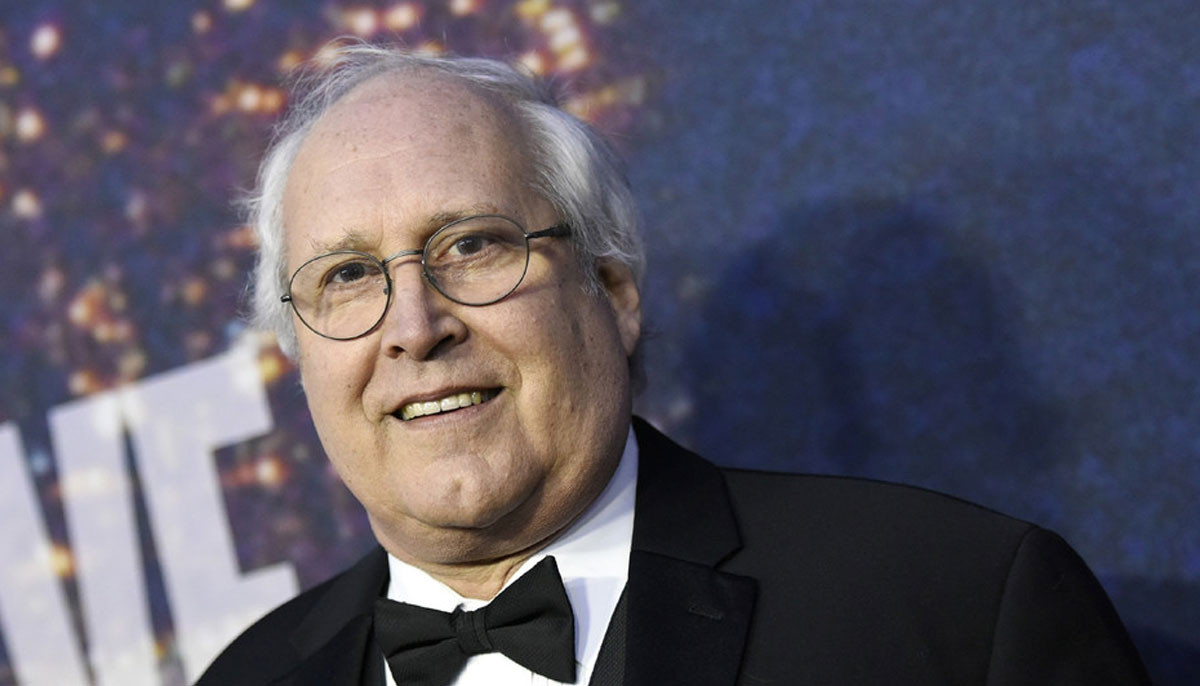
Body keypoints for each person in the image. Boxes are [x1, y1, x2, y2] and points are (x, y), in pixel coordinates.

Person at [198, 44, 1149, 685]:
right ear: (299, 354)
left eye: (473, 246)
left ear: (613, 294)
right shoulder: (249, 677)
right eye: (348, 276)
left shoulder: (952, 608)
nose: (415, 326)